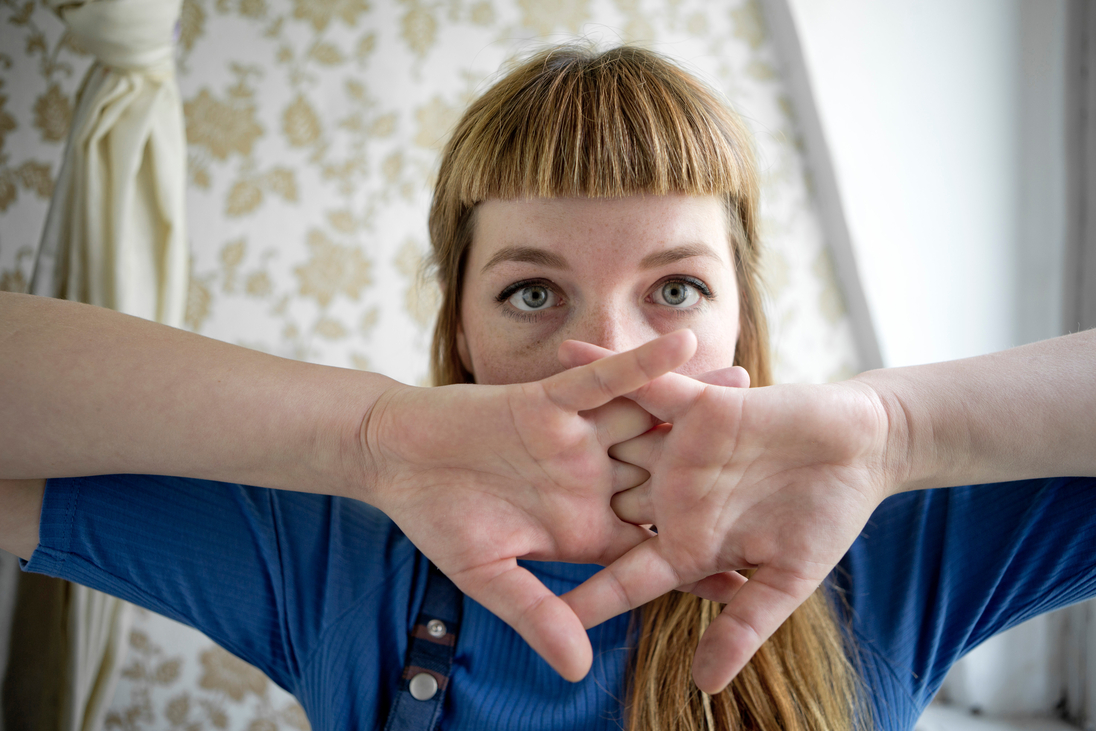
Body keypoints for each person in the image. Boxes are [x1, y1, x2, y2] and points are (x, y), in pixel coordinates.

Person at [2, 44, 1095, 731]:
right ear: (460, 329)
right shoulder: (334, 549)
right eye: (533, 293)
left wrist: (893, 431)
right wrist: (368, 436)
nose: (604, 352)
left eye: (673, 284)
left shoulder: (883, 541)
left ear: (741, 318)